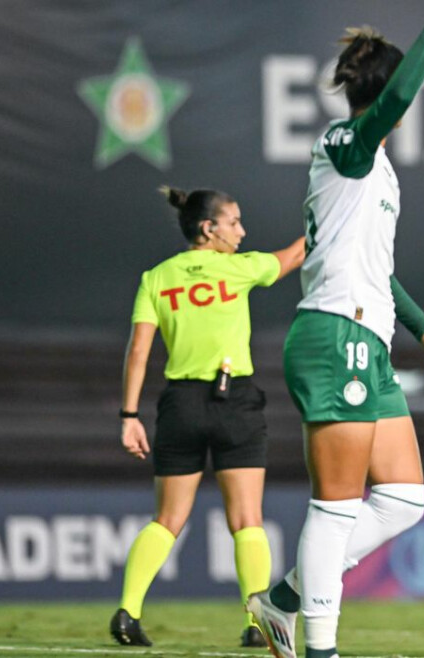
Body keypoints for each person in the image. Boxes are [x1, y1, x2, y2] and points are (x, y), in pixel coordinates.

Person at [244, 4, 424, 658]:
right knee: (336, 508)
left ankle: (284, 600)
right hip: (332, 336)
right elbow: (396, 98)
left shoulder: (377, 171)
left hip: (368, 340)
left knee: (403, 499)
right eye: (399, 90)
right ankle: (320, 648)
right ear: (385, 94)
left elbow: (377, 269)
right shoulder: (345, 147)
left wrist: (423, 327)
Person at [111, 186, 305, 648]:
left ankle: (127, 612)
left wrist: (129, 414)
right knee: (247, 519)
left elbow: (139, 350)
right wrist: (335, 211)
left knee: (167, 519)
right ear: (208, 229)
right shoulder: (238, 269)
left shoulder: (156, 278)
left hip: (179, 404)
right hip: (234, 400)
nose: (242, 231)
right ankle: (257, 622)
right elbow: (296, 254)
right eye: (234, 222)